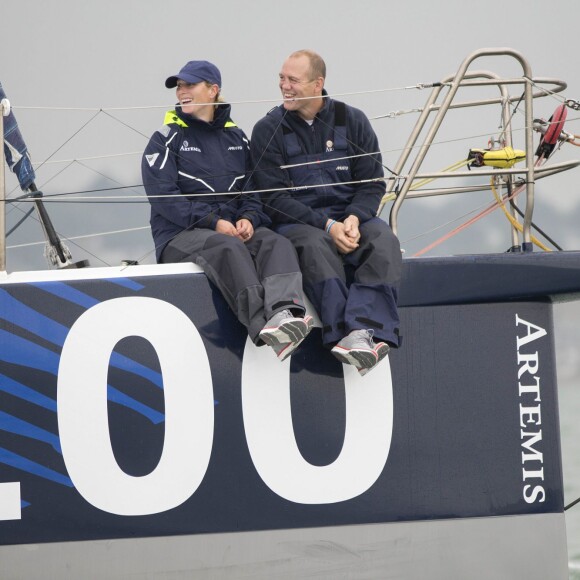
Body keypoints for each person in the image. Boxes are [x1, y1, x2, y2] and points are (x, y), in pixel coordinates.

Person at [142, 60, 313, 360]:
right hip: (180, 235)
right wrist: (215, 222)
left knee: (275, 241)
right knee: (228, 247)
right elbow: (165, 199)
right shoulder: (165, 138)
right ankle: (264, 324)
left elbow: (252, 192)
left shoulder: (237, 138)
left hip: (230, 229)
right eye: (179, 87)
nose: (182, 91)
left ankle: (286, 313)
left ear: (213, 90)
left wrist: (248, 218)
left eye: (189, 85)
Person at [250, 49, 401, 375]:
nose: (284, 86)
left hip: (351, 219)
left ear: (318, 83)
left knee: (383, 240)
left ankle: (366, 332)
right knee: (316, 246)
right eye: (281, 78)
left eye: (293, 80)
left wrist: (354, 219)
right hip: (299, 223)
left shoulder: (353, 120)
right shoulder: (268, 129)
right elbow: (272, 199)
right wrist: (328, 225)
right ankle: (343, 334)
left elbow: (373, 183)